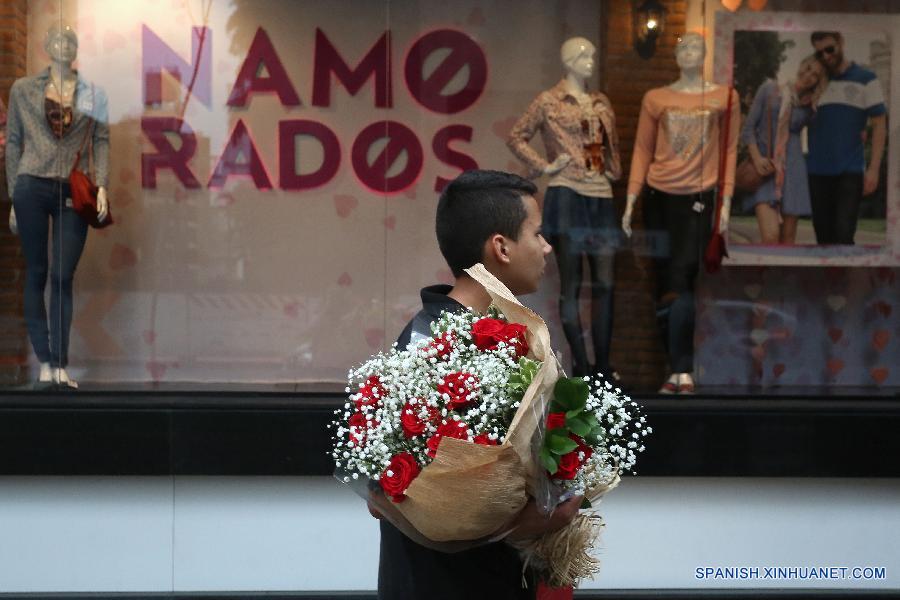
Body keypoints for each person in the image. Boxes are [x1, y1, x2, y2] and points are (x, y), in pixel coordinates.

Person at [375, 169, 582, 600]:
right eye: (538, 234)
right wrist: (526, 521)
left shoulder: (499, 335)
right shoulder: (437, 347)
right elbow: (407, 496)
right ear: (501, 247)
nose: (547, 247)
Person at [621, 32, 739, 395]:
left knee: (683, 276)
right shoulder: (656, 98)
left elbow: (730, 152)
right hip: (658, 195)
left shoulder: (723, 97)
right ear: (675, 54)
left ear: (704, 55)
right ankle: (675, 371)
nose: (689, 52)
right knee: (663, 281)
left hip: (699, 198)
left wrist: (726, 203)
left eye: (696, 48)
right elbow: (642, 149)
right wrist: (630, 199)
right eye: (683, 46)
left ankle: (682, 369)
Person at [507, 37, 622, 379]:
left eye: (593, 55)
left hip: (600, 193)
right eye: (584, 55)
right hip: (567, 193)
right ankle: (582, 367)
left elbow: (610, 148)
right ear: (568, 60)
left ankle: (603, 366)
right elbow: (516, 136)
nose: (590, 61)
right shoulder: (549, 101)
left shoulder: (601, 101)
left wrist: (615, 170)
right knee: (572, 283)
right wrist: (544, 166)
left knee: (606, 283)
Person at [6, 24, 110, 388]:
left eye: (71, 39)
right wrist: (12, 194)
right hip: (31, 183)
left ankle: (61, 361)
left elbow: (101, 139)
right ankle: (45, 361)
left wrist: (103, 186)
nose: (64, 45)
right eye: (58, 39)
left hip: (72, 188)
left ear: (77, 47)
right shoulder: (23, 89)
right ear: (47, 46)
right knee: (36, 272)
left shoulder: (94, 94)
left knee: (62, 275)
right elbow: (14, 141)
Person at [807, 31, 887, 245]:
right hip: (816, 171)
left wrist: (874, 169)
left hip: (849, 172)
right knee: (823, 238)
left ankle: (845, 278)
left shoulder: (866, 79)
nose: (825, 56)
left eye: (829, 49)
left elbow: (879, 124)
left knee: (843, 234)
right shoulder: (815, 81)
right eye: (819, 53)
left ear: (841, 42)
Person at [741, 56, 827, 244]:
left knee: (788, 240)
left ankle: (783, 275)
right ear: (801, 65)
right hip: (766, 169)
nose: (809, 75)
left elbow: (819, 137)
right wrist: (757, 159)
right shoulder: (770, 89)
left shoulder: (810, 107)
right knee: (771, 237)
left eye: (816, 75)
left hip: (794, 171)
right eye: (808, 67)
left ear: (819, 82)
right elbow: (748, 129)